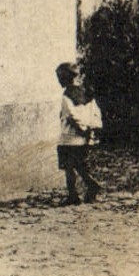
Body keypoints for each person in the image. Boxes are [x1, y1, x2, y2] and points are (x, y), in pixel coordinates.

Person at [55, 61, 102, 205]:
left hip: (69, 138)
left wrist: (82, 129)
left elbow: (71, 116)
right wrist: (92, 129)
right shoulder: (87, 93)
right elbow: (95, 113)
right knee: (80, 165)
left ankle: (74, 195)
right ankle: (90, 186)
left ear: (64, 78)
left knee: (69, 168)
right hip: (83, 138)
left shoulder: (66, 96)